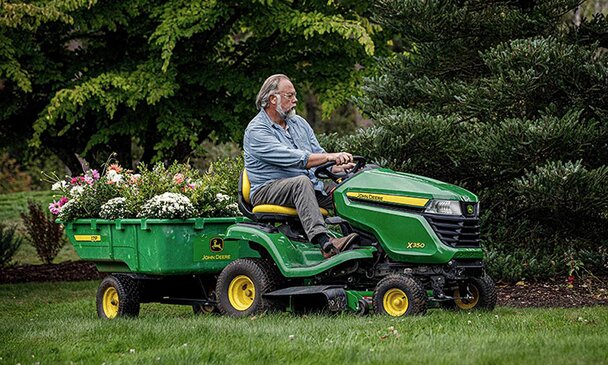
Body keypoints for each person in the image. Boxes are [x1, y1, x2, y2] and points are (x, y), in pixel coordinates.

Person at [243, 74, 359, 258]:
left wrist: (337, 168)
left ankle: (363, 240)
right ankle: (325, 242)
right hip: (267, 189)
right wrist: (329, 156)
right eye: (290, 96)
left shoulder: (299, 124)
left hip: (306, 187)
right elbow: (295, 159)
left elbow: (319, 155)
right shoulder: (256, 131)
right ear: (273, 99)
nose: (295, 100)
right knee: (301, 182)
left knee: (349, 192)